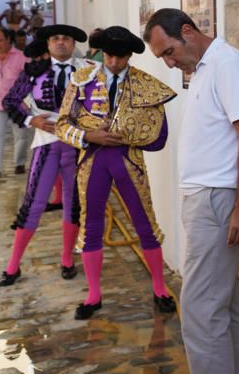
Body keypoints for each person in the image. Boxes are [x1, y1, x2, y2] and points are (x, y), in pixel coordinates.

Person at [143, 8, 239, 374]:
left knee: (198, 308)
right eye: (163, 57)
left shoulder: (227, 64)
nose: (170, 63)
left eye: (170, 52)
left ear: (188, 31)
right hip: (209, 196)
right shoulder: (203, 67)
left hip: (219, 198)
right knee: (222, 304)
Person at [55, 25, 177, 320]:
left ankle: (160, 288)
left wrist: (127, 136)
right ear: (100, 53)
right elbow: (61, 125)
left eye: (120, 57)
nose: (113, 63)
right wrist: (88, 137)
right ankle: (93, 294)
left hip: (127, 159)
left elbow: (159, 138)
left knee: (145, 223)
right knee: (92, 226)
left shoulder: (145, 84)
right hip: (93, 160)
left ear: (129, 57)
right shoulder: (80, 80)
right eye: (109, 56)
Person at [0, 37, 89, 286]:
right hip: (45, 144)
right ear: (48, 45)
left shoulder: (89, 69)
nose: (61, 43)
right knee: (33, 203)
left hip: (78, 145)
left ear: (73, 44)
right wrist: (31, 121)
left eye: (65, 39)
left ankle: (67, 259)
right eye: (55, 39)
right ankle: (13, 265)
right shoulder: (34, 71)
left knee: (74, 204)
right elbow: (10, 101)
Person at [0, 27, 29, 179]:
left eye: (0, 40)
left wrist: (27, 100)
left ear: (9, 39)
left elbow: (30, 80)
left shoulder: (22, 57)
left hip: (18, 104)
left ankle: (19, 163)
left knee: (21, 136)